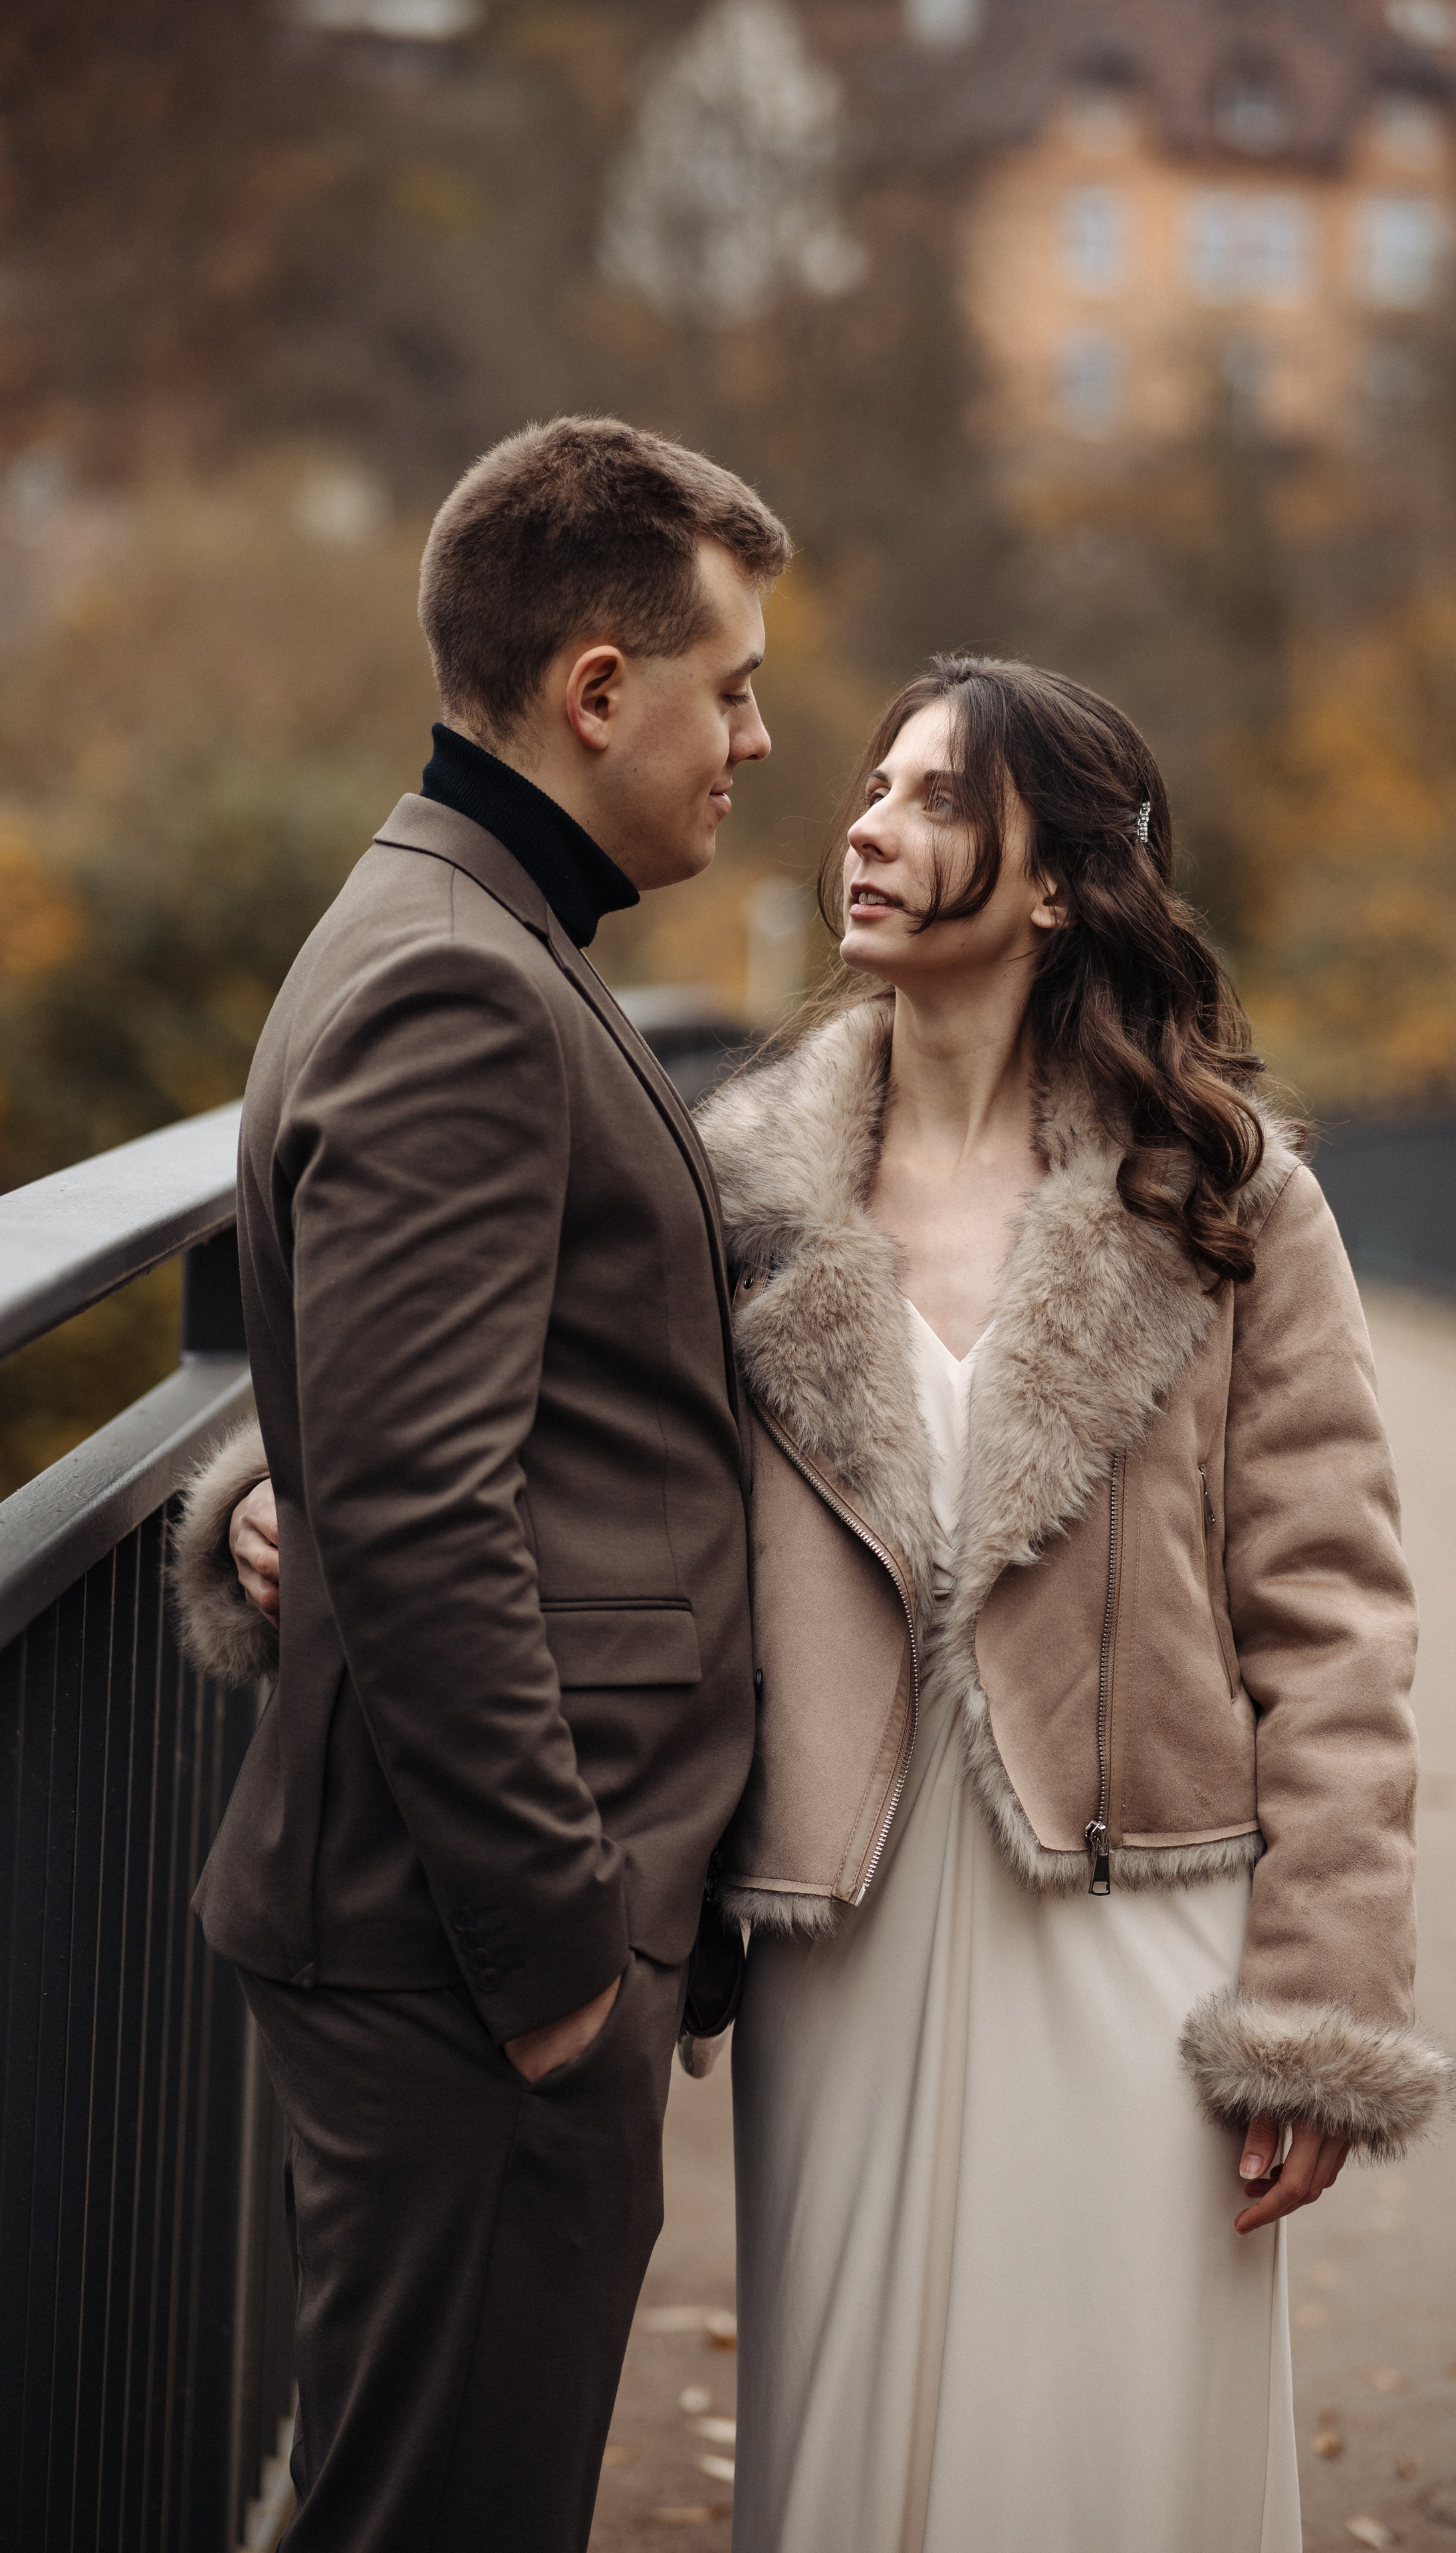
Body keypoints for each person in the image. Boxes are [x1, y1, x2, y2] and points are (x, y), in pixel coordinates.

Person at [195, 653, 1456, 2552]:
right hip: (832, 1921)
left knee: (1116, 2428)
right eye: (872, 785)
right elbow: (497, 1434)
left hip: (1142, 1922)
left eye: (939, 798)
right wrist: (267, 1511)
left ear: (1059, 885)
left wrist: (1322, 1997)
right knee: (861, 2430)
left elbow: (1338, 1610)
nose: (865, 822)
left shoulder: (1223, 1196)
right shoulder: (735, 1186)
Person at [172, 414, 789, 2553]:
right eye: (731, 688)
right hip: (473, 1961)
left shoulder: (465, 926)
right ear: (596, 691)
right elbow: (424, 1514)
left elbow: (405, 1411)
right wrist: (559, 1966)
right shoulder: (459, 974)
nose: (762, 738)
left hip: (454, 1948)